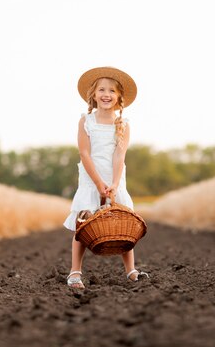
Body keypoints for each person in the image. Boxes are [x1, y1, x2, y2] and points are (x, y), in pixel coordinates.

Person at [63, 66, 149, 289]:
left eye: (112, 91)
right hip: (91, 177)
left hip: (114, 179)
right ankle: (75, 272)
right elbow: (84, 153)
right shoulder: (86, 122)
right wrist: (98, 183)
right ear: (93, 94)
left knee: (123, 221)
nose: (106, 94)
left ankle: (131, 270)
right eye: (101, 89)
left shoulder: (123, 124)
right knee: (82, 222)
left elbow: (120, 155)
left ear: (119, 97)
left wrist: (113, 184)